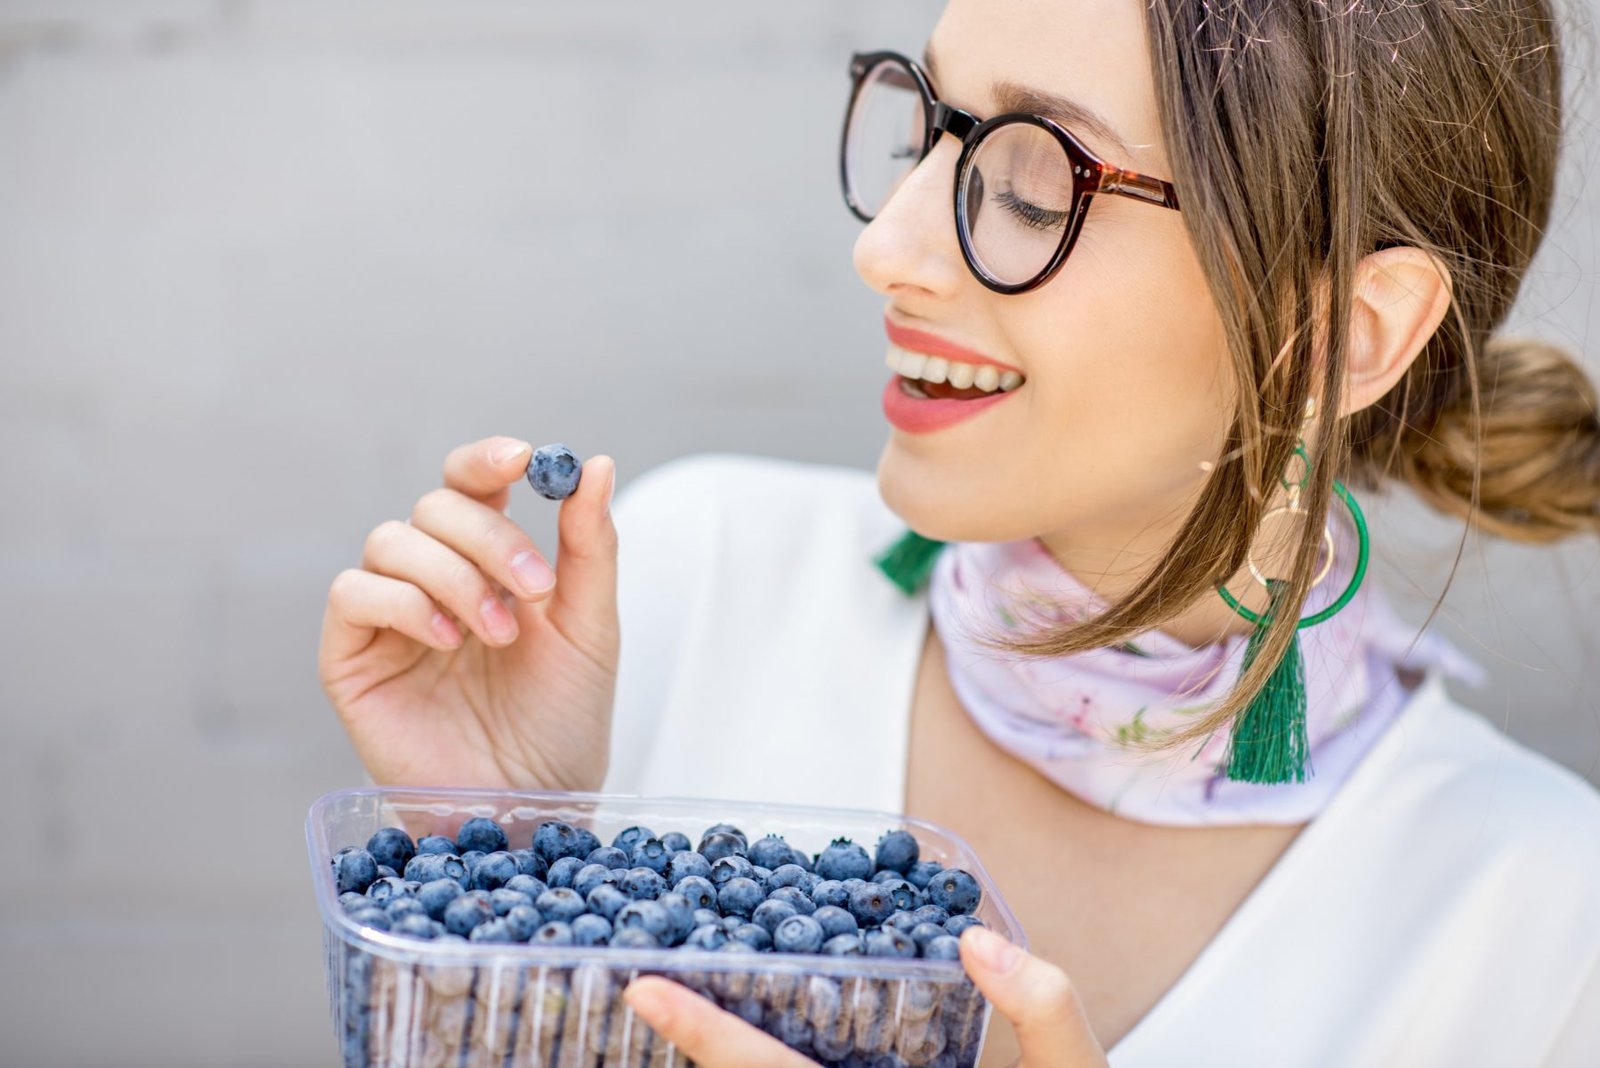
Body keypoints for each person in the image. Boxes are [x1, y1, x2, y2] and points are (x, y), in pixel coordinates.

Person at [318, 0, 1600, 1064]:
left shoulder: (1540, 925)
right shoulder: (681, 587)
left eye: (1037, 185)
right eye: (929, 129)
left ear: (1337, 335)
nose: (888, 245)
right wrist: (493, 872)